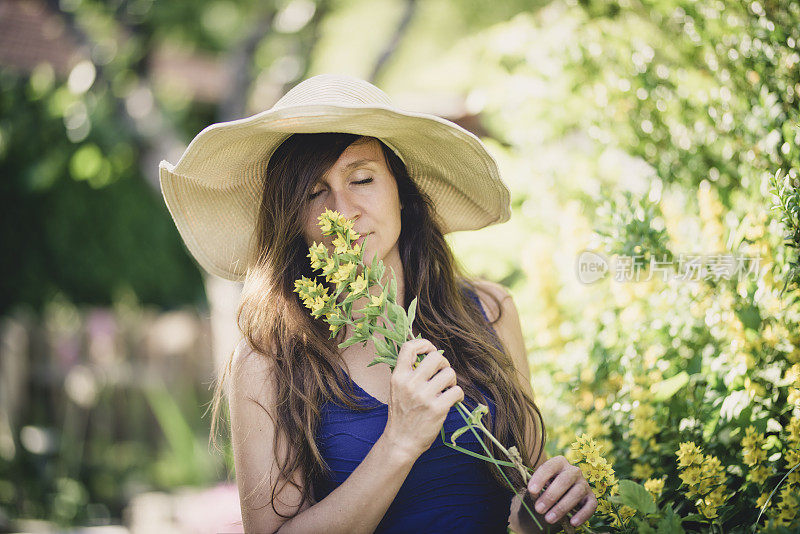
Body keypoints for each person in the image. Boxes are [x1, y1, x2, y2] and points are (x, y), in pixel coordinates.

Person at [159, 73, 598, 533]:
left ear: (402, 193)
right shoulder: (269, 359)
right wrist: (399, 442)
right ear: (293, 221)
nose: (342, 212)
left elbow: (525, 490)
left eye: (362, 179)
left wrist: (545, 511)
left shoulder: (490, 311)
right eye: (314, 192)